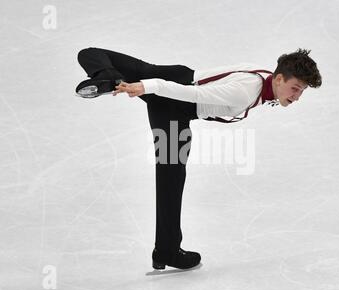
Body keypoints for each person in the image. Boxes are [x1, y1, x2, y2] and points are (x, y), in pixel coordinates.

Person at [75, 47, 322, 270]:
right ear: (279, 79)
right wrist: (148, 87)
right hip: (175, 100)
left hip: (175, 85)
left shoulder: (266, 79)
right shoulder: (244, 92)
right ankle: (167, 251)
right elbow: (192, 94)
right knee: (171, 179)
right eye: (295, 89)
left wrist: (147, 84)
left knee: (91, 54)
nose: (297, 96)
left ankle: (108, 78)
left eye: (301, 91)